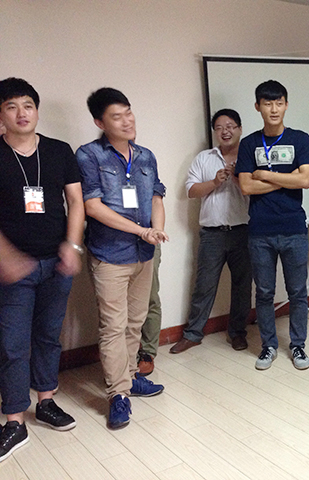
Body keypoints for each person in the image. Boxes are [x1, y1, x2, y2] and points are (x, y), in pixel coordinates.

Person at [0, 77, 84, 461]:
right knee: (13, 343)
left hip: (56, 263)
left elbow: (75, 202)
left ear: (36, 111)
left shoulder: (59, 150)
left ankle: (46, 401)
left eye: (28, 105)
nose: (22, 113)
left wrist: (72, 245)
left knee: (50, 336)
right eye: (12, 106)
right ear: (1, 114)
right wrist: (5, 255)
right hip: (13, 269)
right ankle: (14, 421)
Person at [76, 87, 167, 430]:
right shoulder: (89, 155)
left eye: (129, 112)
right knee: (113, 326)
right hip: (110, 255)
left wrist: (157, 230)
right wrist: (140, 230)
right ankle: (117, 394)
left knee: (135, 321)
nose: (127, 121)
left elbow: (157, 196)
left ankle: (129, 377)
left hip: (144, 252)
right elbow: (92, 206)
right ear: (100, 122)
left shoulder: (145, 156)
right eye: (117, 116)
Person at [236, 80, 309, 371]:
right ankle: (268, 345)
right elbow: (246, 186)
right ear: (257, 106)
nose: (273, 109)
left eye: (279, 103)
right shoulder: (249, 144)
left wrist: (265, 175)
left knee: (297, 292)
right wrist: (286, 178)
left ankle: (298, 345)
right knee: (264, 293)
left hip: (294, 228)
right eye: (267, 103)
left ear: (286, 105)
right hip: (260, 231)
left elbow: (305, 180)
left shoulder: (300, 139)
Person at [170, 108, 251, 354]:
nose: (225, 131)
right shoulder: (204, 158)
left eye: (230, 126)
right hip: (212, 233)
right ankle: (193, 334)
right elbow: (191, 190)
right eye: (219, 127)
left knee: (243, 286)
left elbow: (256, 190)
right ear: (215, 131)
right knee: (204, 285)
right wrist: (215, 182)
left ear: (240, 129)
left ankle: (237, 333)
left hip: (244, 231)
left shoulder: (249, 156)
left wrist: (236, 177)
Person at [137, 244, 161, 375]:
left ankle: (148, 352)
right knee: (118, 306)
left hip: (148, 243)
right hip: (114, 245)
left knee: (150, 299)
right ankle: (125, 356)